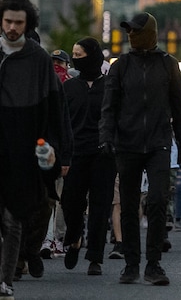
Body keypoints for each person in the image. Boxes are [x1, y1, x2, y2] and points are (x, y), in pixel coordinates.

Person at [100, 12, 181, 286]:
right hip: (126, 144)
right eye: (128, 31)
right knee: (129, 207)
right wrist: (106, 137)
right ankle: (131, 264)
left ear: (150, 32)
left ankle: (153, 265)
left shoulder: (168, 65)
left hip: (159, 144)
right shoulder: (121, 66)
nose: (131, 35)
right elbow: (109, 106)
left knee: (156, 200)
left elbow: (179, 108)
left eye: (136, 31)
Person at [0, 0, 66, 298]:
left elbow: (54, 109)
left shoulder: (38, 59)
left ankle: (7, 277)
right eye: (8, 21)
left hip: (23, 149)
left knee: (14, 217)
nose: (12, 27)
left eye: (19, 22)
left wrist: (54, 147)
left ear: (28, 25)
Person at [61, 37, 116, 276]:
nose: (75, 59)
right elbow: (61, 123)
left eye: (80, 55)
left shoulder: (111, 88)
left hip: (104, 155)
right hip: (75, 154)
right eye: (74, 55)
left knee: (100, 206)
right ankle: (74, 237)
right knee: (70, 202)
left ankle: (95, 257)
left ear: (92, 56)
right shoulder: (69, 88)